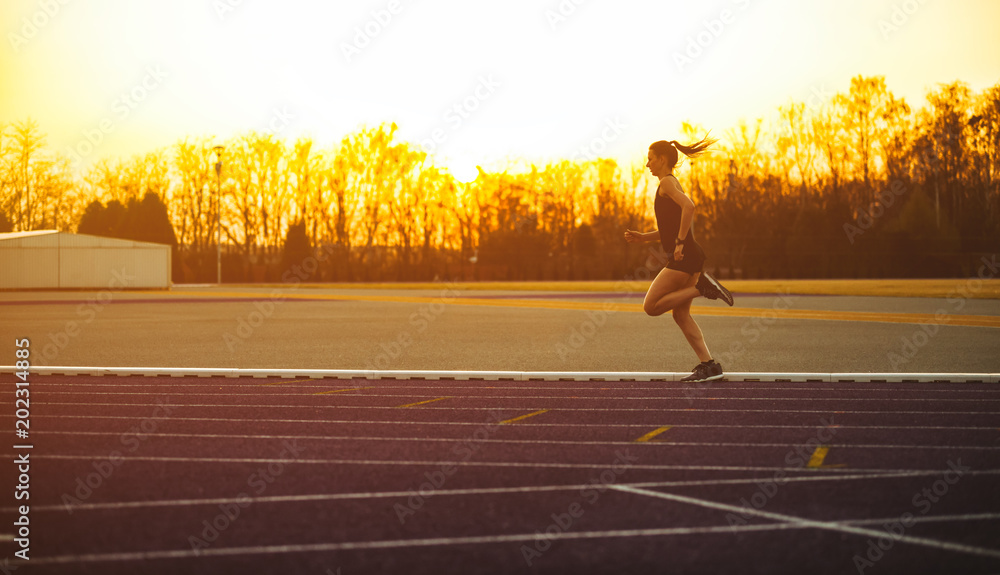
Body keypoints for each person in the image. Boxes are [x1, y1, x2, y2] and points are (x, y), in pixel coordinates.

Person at [624, 137, 734, 383]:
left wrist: (680, 243)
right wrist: (645, 237)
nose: (647, 164)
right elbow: (671, 226)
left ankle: (701, 288)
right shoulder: (671, 183)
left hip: (683, 257)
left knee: (650, 307)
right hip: (691, 257)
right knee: (680, 316)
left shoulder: (666, 183)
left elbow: (690, 207)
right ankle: (710, 365)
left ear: (662, 159)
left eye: (650, 159)